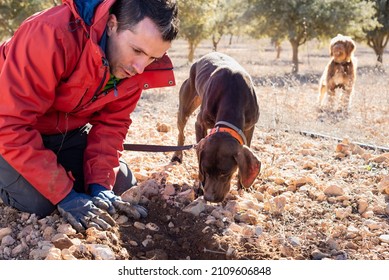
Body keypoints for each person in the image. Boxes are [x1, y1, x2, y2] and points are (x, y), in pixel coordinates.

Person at [0, 0, 179, 232]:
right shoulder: (50, 33)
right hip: (8, 128)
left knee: (120, 185)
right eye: (137, 51)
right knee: (42, 203)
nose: (140, 68)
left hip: (64, 131)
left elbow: (111, 125)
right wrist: (64, 194)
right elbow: (10, 124)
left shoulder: (133, 67)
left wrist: (100, 185)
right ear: (112, 25)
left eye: (153, 58)